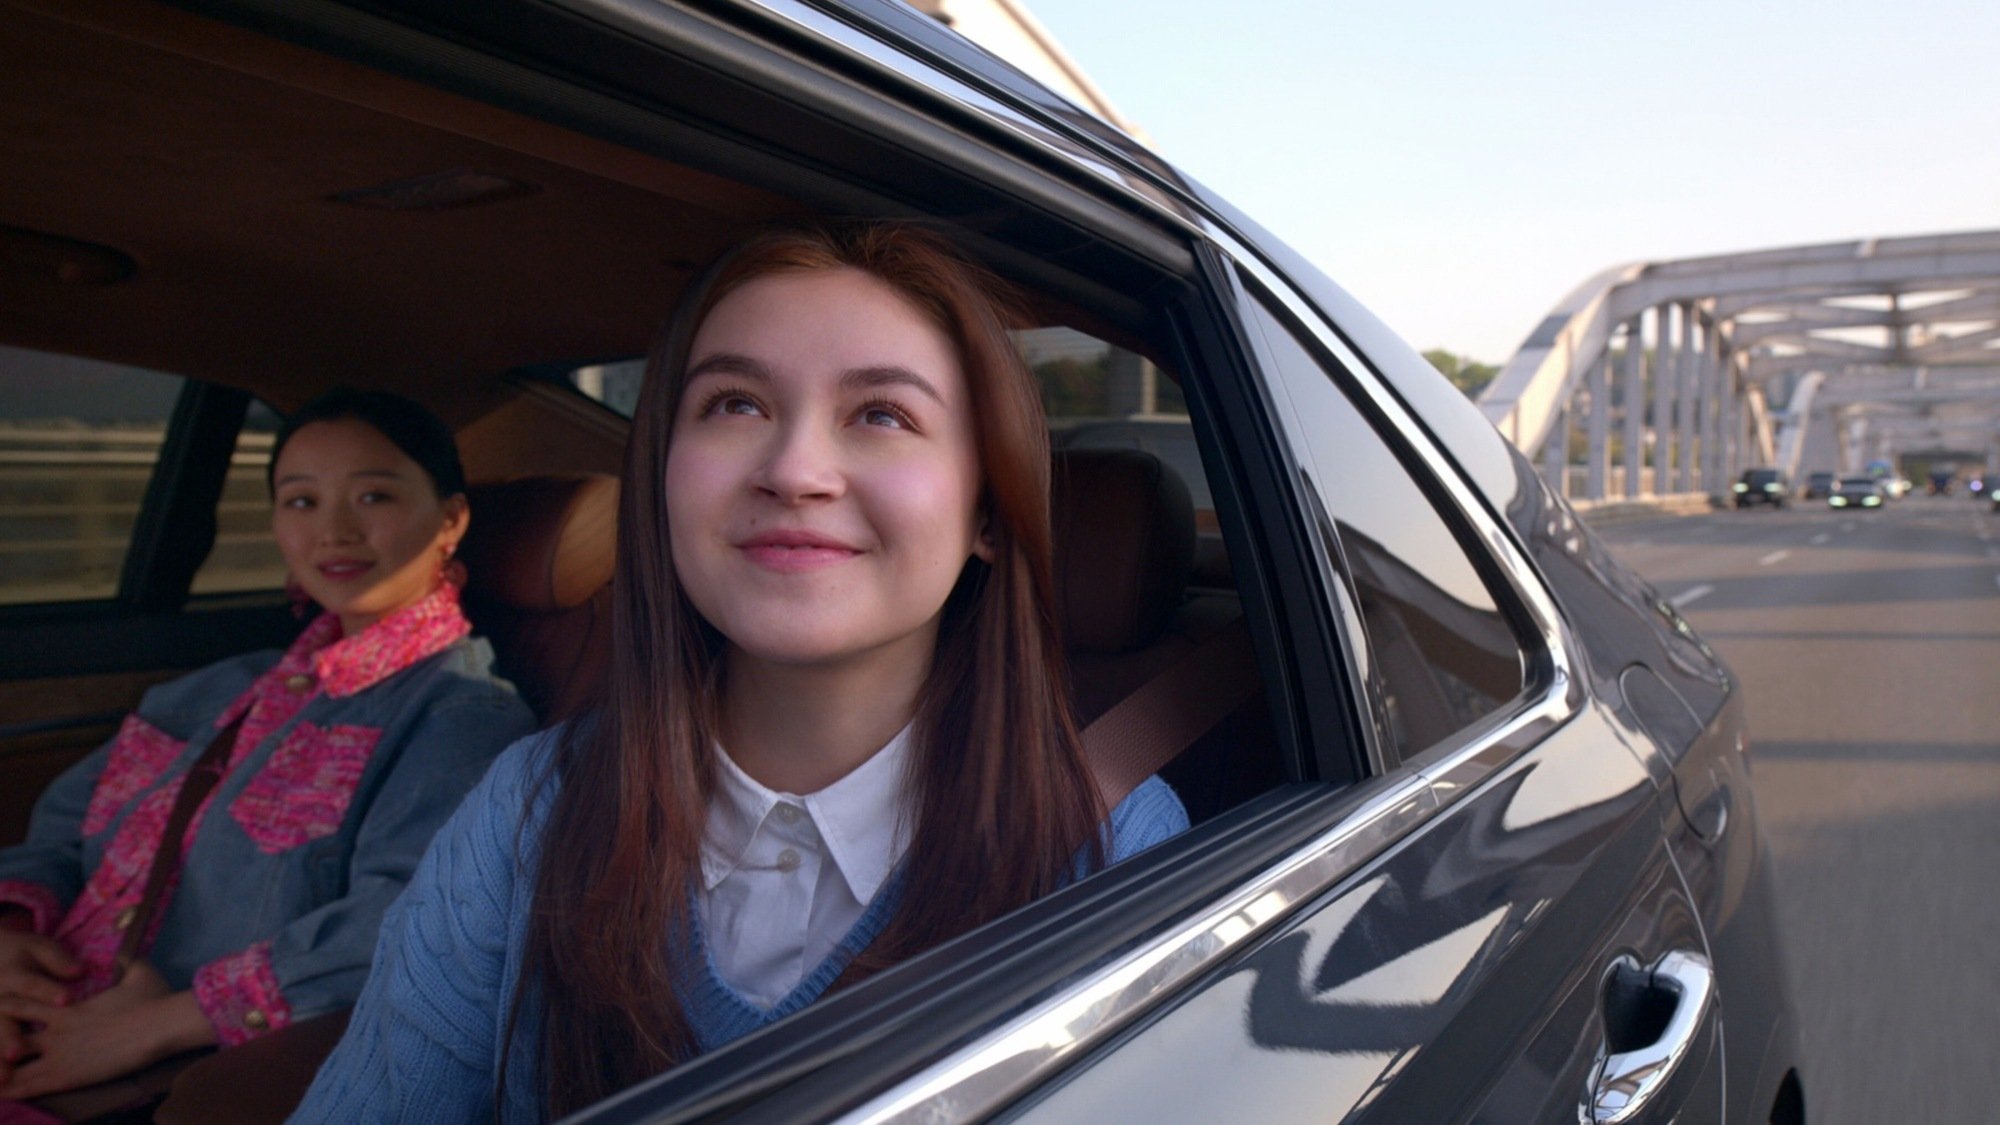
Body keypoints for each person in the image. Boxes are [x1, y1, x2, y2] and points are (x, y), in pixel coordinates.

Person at [292, 222, 1189, 1121]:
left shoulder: (1109, 847)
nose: (795, 470)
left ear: (987, 510)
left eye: (883, 414)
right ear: (662, 475)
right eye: (734, 404)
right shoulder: (529, 809)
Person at [0, 390, 537, 1113]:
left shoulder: (461, 715)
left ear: (450, 520)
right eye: (301, 501)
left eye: (373, 494)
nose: (334, 530)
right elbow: (68, 819)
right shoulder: (220, 687)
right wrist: (11, 937)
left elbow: (407, 922)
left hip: (149, 1067)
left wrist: (158, 1026)